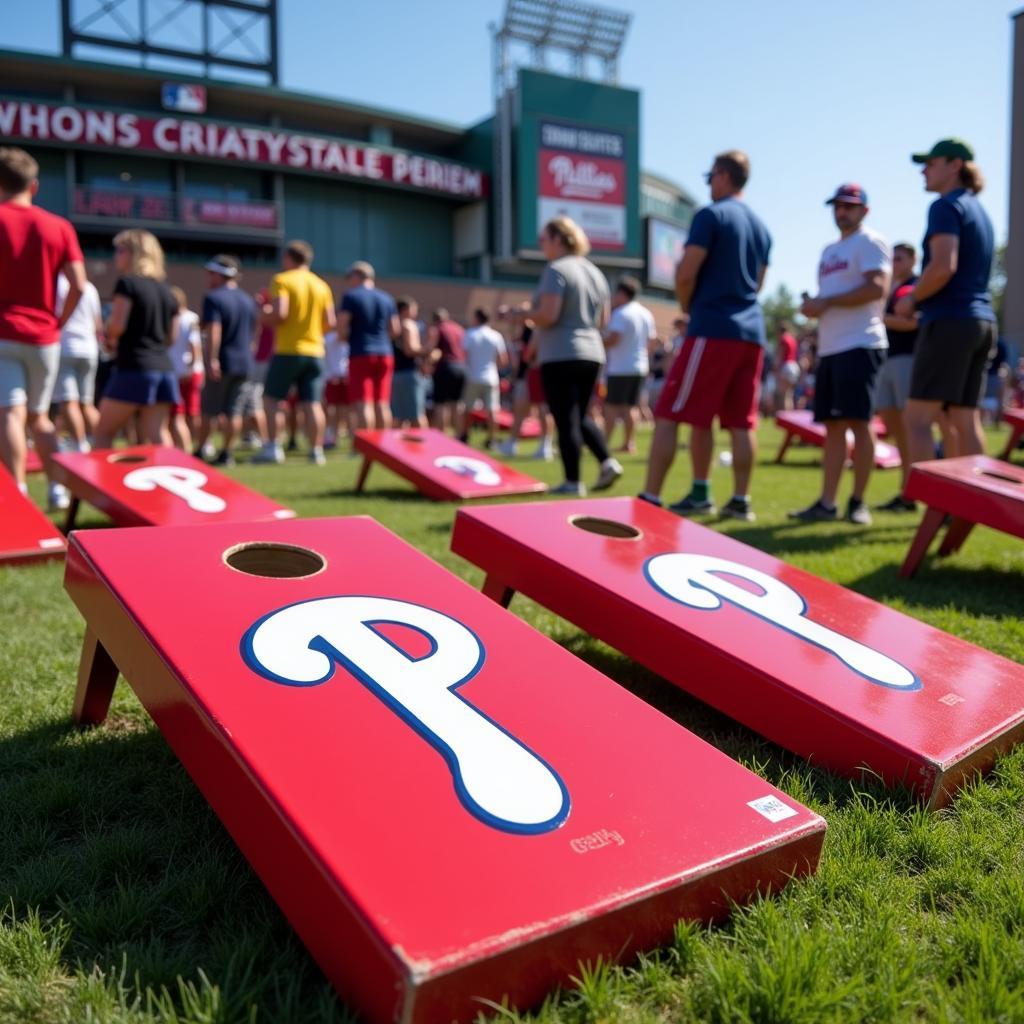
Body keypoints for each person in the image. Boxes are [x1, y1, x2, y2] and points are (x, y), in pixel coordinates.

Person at [641, 150, 771, 521]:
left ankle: (650, 496)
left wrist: (688, 306)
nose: (708, 183)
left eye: (710, 176)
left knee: (669, 412)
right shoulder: (761, 227)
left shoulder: (711, 215)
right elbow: (759, 283)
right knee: (738, 421)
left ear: (723, 176)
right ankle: (731, 499)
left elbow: (685, 273)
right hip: (750, 333)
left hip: (712, 327)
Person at [790, 184, 891, 525]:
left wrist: (828, 302)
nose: (841, 212)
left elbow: (877, 287)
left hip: (861, 343)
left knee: (860, 424)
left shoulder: (870, 241)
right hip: (832, 347)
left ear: (864, 210)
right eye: (837, 206)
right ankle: (827, 502)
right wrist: (813, 307)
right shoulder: (829, 250)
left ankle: (858, 502)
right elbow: (828, 296)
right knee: (832, 426)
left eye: (849, 206)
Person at [895, 139, 996, 467]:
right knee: (965, 420)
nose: (924, 170)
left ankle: (931, 508)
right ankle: (970, 509)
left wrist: (911, 299)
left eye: (931, 163)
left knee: (917, 419)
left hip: (950, 320)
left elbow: (942, 267)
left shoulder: (945, 206)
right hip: (981, 323)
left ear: (955, 166)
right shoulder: (979, 211)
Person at [0, 146, 86, 509]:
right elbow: (80, 285)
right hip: (45, 338)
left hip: (4, 333)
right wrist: (58, 322)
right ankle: (58, 490)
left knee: (9, 414)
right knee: (40, 417)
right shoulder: (59, 225)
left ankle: (16, 495)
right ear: (33, 186)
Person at [529, 215, 622, 495]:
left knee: (565, 418)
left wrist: (521, 314)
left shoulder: (556, 269)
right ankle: (607, 461)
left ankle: (572, 481)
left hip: (561, 352)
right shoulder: (596, 272)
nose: (542, 245)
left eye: (544, 239)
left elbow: (548, 315)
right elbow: (603, 321)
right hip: (592, 352)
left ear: (559, 239)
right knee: (579, 415)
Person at [93, 229, 179, 449]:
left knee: (103, 432)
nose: (116, 256)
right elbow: (172, 337)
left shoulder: (127, 284)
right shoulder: (167, 291)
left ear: (135, 254)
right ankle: (171, 479)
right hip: (164, 369)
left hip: (134, 367)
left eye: (121, 250)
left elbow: (117, 326)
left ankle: (101, 483)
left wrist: (109, 338)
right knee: (158, 434)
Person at [255, 240, 334, 465]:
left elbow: (280, 314)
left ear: (289, 258)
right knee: (312, 403)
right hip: (315, 351)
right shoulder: (322, 285)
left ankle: (272, 448)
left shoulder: (282, 280)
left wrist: (262, 314)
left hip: (288, 350)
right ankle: (316, 451)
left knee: (271, 400)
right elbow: (330, 321)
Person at [196, 255, 258, 465]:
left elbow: (214, 329)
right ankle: (226, 453)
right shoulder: (248, 300)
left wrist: (212, 359)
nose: (207, 277)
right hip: (245, 363)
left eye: (211, 273)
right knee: (234, 410)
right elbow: (252, 334)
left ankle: (200, 450)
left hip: (223, 361)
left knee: (209, 409)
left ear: (220, 275)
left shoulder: (213, 298)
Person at [874, 243, 920, 510]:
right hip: (886, 358)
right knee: (897, 430)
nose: (895, 262)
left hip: (907, 359)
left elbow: (913, 322)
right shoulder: (891, 287)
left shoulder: (914, 286)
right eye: (893, 258)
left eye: (900, 258)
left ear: (913, 260)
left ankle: (913, 492)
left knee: (912, 428)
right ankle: (906, 490)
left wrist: (881, 318)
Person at [338, 261, 399, 432]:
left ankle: (367, 447)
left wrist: (347, 338)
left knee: (364, 402)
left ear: (357, 275)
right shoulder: (387, 298)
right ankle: (384, 447)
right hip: (385, 354)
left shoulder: (351, 296)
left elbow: (341, 328)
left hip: (361, 353)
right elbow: (395, 330)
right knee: (382, 403)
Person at [603, 276, 656, 454]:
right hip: (639, 366)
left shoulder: (621, 313)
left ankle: (603, 444)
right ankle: (629, 443)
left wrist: (598, 341)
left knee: (611, 407)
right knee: (630, 407)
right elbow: (652, 341)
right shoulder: (645, 313)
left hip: (620, 367)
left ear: (621, 293)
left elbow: (613, 339)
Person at [54, 270, 102, 453]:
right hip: (89, 350)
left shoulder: (57, 283)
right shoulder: (91, 288)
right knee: (86, 404)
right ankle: (102, 443)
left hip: (67, 348)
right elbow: (98, 325)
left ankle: (80, 447)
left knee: (68, 403)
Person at [498, 306, 554, 459]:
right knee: (520, 410)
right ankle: (512, 443)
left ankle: (545, 446)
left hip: (537, 373)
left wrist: (525, 356)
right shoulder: (524, 330)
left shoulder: (537, 329)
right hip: (528, 374)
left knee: (543, 409)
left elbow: (529, 355)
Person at [460, 308, 508, 446]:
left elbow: (464, 355)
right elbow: (503, 360)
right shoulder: (495, 335)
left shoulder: (470, 334)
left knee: (468, 409)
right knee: (492, 409)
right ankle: (492, 438)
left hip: (472, 377)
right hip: (491, 377)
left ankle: (465, 435)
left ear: (477, 318)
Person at [167, 285, 202, 452]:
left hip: (183, 370)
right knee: (190, 412)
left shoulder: (187, 318)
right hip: (186, 370)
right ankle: (195, 442)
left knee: (180, 414)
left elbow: (194, 345)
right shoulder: (191, 317)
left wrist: (190, 366)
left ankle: (186, 446)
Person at [427, 308, 466, 433]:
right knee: (456, 404)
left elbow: (431, 349)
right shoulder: (459, 329)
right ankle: (460, 436)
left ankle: (441, 437)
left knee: (440, 404)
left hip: (445, 367)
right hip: (461, 367)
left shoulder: (438, 329)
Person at [391, 296, 428, 428]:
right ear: (406, 309)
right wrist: (429, 351)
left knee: (398, 416)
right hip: (409, 373)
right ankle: (426, 446)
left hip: (396, 373)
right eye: (414, 309)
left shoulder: (393, 325)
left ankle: (394, 447)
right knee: (417, 415)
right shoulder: (408, 324)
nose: (416, 312)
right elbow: (410, 350)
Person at [774, 322, 800, 412]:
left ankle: (785, 415)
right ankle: (790, 414)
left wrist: (776, 367)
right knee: (789, 393)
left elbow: (780, 354)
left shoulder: (783, 339)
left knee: (784, 394)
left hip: (786, 365)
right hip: (794, 365)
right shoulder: (792, 339)